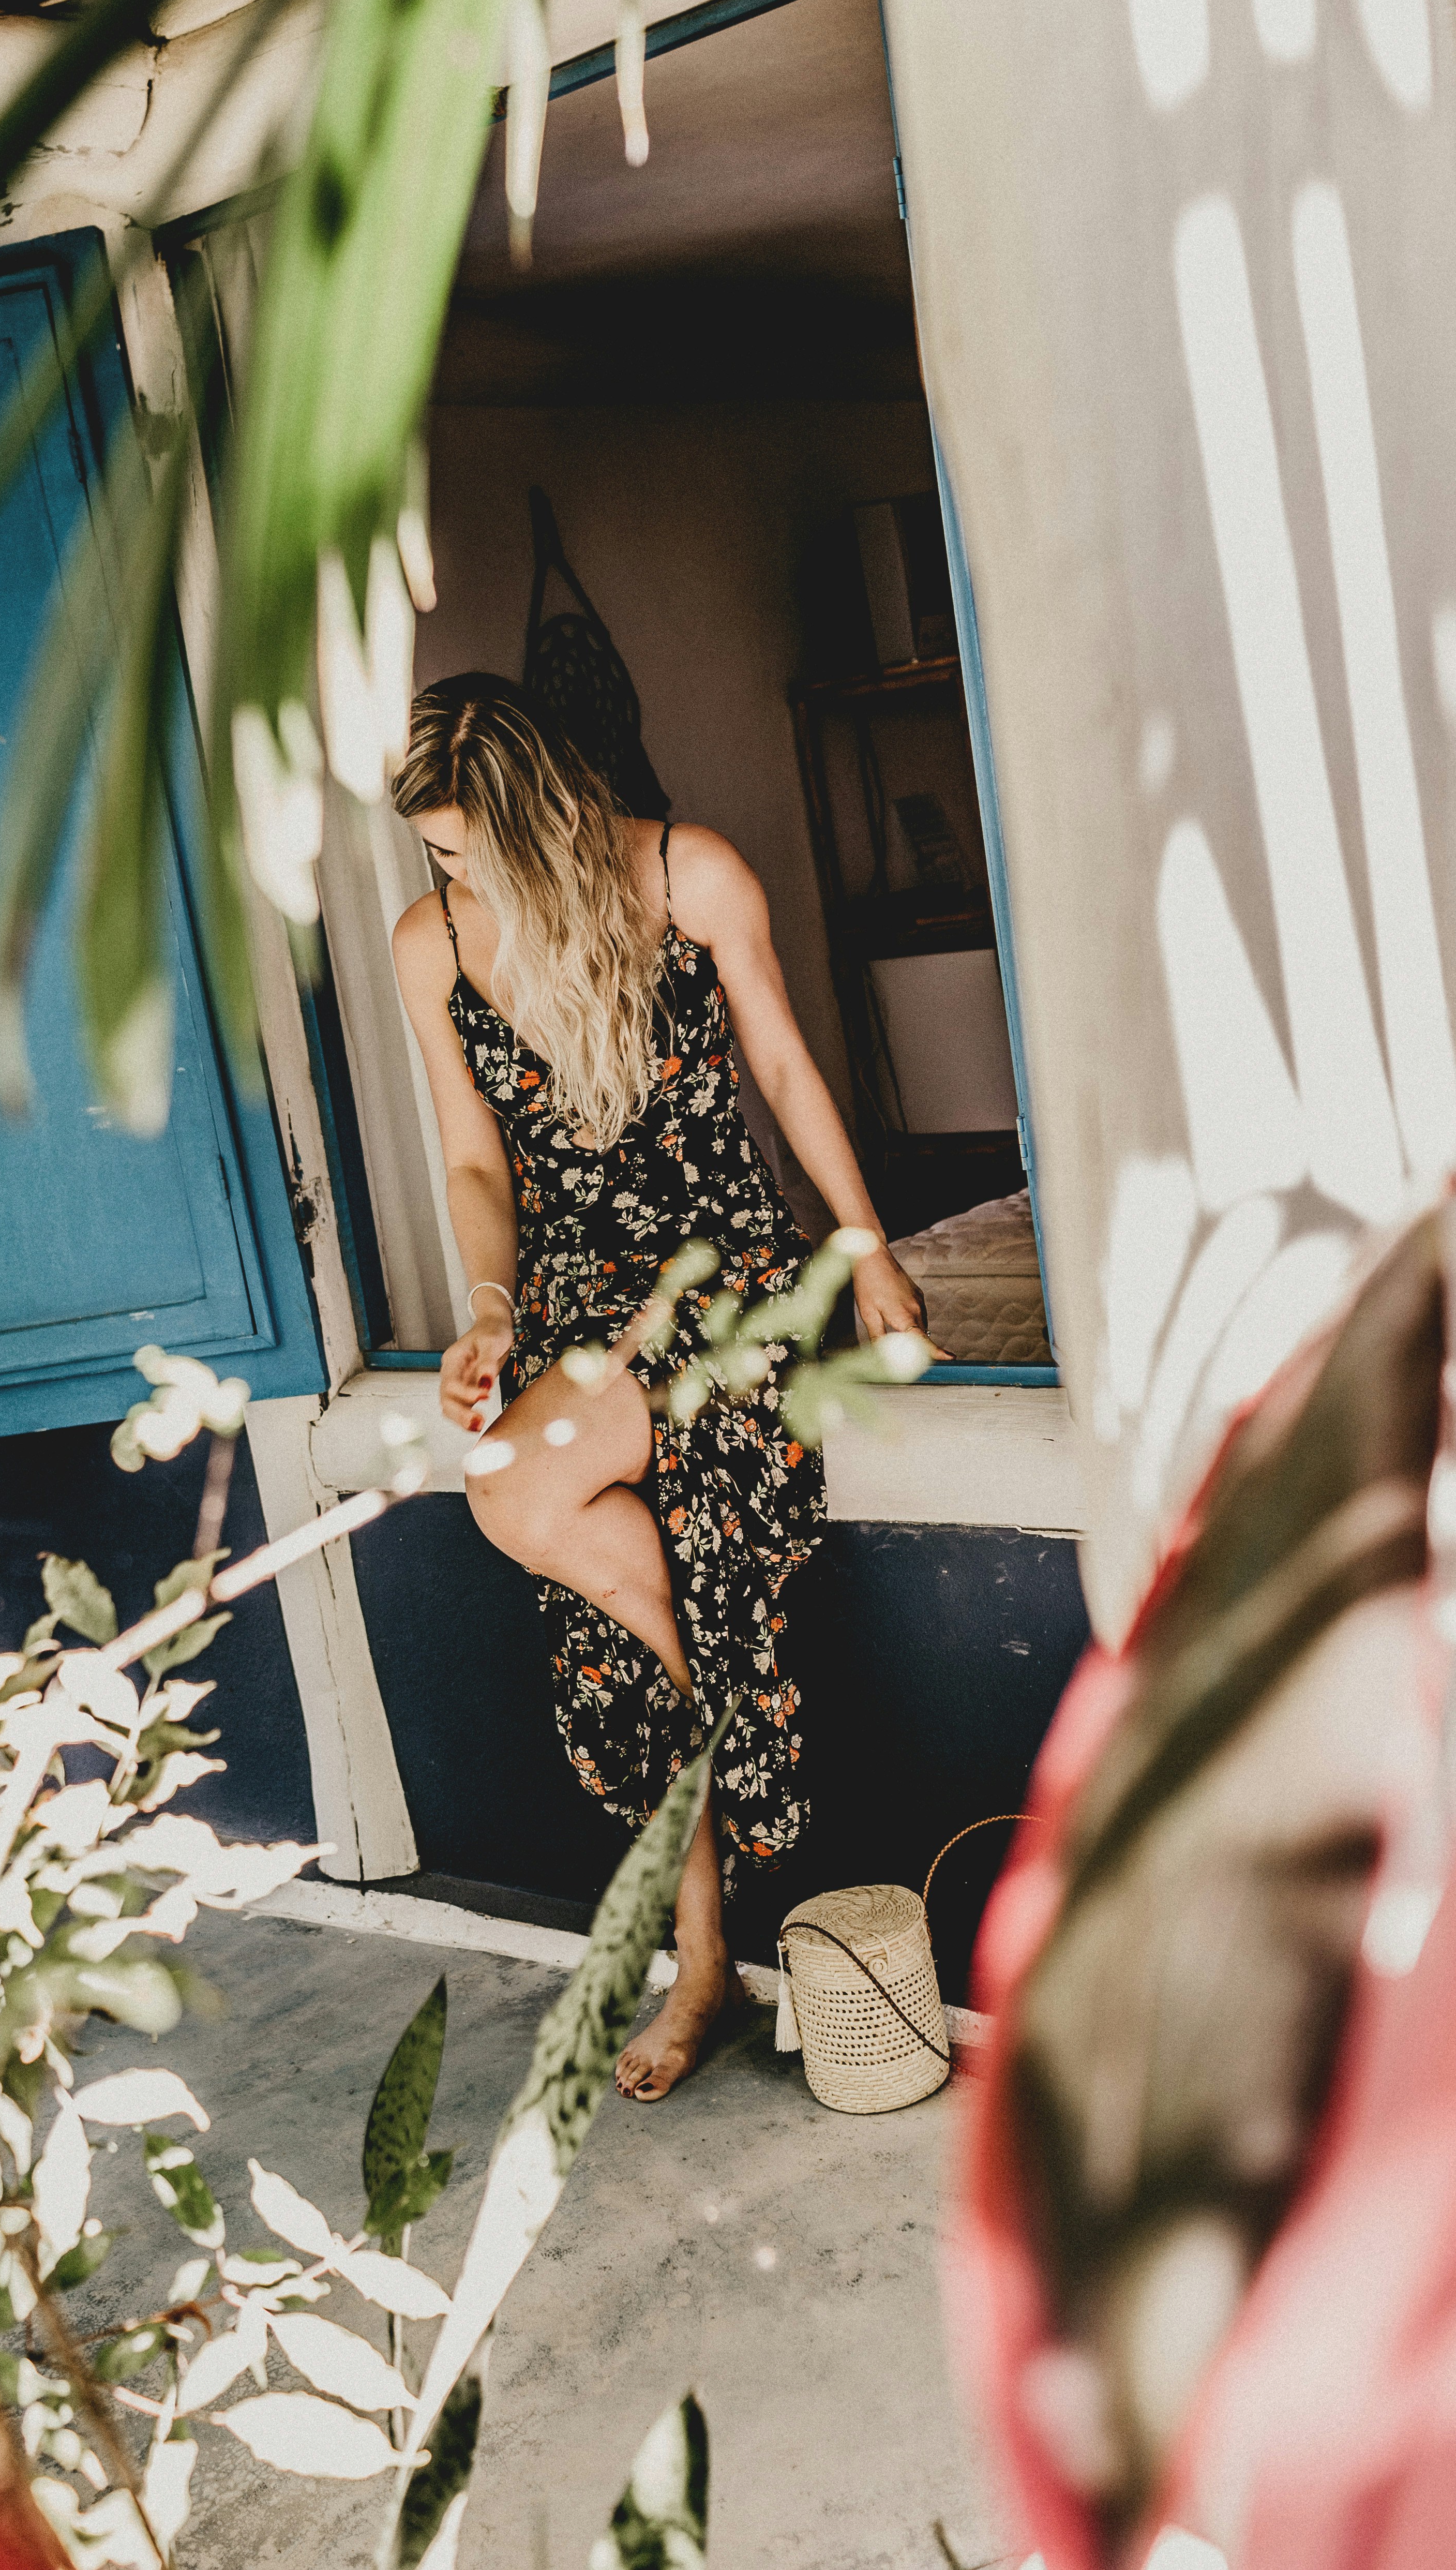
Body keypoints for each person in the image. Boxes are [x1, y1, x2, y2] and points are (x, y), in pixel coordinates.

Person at [391, 673, 932, 2099]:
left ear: (540, 815)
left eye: (464, 847)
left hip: (721, 1274)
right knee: (584, 1568)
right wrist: (490, 1310)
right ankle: (712, 1864)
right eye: (434, 854)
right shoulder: (433, 937)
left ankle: (699, 1947)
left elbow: (779, 1058)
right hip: (570, 1293)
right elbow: (469, 1157)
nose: (447, 877)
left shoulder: (685, 873)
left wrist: (863, 1247)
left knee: (521, 1490)